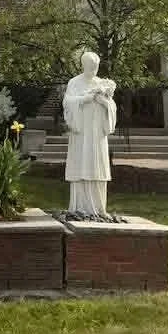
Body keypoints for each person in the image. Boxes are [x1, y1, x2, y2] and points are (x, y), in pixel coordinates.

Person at [63, 50, 117, 216]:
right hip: (82, 133)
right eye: (89, 66)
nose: (93, 69)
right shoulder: (74, 82)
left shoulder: (102, 83)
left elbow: (113, 108)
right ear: (83, 65)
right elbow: (67, 102)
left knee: (97, 167)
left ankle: (99, 209)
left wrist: (104, 103)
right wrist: (82, 100)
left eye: (95, 66)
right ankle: (79, 208)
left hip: (97, 135)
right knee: (81, 166)